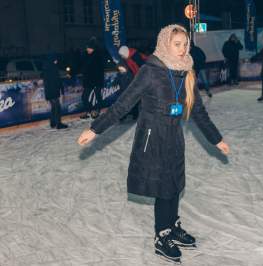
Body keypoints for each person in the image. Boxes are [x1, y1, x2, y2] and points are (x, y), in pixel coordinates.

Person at [77, 24, 230, 263]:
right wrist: (95, 129)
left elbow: (198, 111)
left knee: (175, 183)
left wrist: (216, 139)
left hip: (175, 138)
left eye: (184, 45)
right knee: (162, 186)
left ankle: (173, 225)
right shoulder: (150, 71)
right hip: (152, 137)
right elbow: (124, 104)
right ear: (165, 44)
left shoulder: (187, 72)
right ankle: (162, 235)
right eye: (176, 44)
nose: (182, 49)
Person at [118, 46, 148, 120]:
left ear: (125, 53)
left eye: (122, 55)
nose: (122, 56)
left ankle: (142, 113)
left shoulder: (135, 56)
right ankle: (134, 113)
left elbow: (143, 67)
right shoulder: (127, 57)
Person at [80, 37, 105, 119]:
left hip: (97, 80)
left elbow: (100, 70)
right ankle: (88, 110)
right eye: (87, 48)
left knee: (98, 96)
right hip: (88, 81)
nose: (87, 49)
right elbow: (82, 67)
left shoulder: (98, 56)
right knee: (84, 96)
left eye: (89, 48)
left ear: (93, 48)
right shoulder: (85, 56)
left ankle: (97, 110)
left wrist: (98, 81)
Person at [42, 53, 68, 129]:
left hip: (49, 91)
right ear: (53, 59)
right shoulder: (53, 68)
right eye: (56, 59)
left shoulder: (46, 67)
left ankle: (53, 123)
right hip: (53, 90)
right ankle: (58, 124)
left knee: (54, 107)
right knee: (57, 107)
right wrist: (61, 89)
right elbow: (57, 80)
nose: (57, 60)